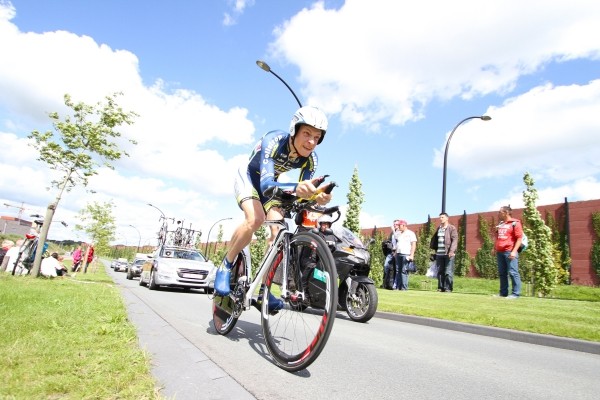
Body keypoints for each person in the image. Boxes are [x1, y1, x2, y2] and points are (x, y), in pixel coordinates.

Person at [214, 106, 332, 313]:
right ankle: (226, 264)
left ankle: (263, 289)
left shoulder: (311, 159)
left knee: (277, 231)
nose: (311, 141)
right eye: (306, 134)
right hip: (251, 178)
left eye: (317, 137)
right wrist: (297, 188)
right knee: (255, 219)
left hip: (274, 183)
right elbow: (267, 185)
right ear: (294, 130)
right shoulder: (274, 140)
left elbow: (302, 192)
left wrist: (317, 196)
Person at [495, 206, 523, 298]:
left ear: (506, 212)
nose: (498, 214)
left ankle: (515, 294)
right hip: (500, 252)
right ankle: (503, 293)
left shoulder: (515, 223)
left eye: (500, 212)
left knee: (513, 272)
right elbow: (498, 237)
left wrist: (514, 251)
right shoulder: (501, 224)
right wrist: (494, 248)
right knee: (502, 273)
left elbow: (519, 238)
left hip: (509, 251)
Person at [431, 212, 458, 292]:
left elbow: (455, 240)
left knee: (448, 271)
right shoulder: (439, 228)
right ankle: (441, 287)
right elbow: (435, 240)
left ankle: (448, 288)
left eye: (442, 217)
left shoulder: (451, 228)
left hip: (448, 253)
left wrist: (452, 251)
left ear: (447, 218)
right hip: (439, 253)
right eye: (440, 217)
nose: (440, 219)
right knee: (440, 271)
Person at [392, 220, 417, 290]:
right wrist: (396, 253)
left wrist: (412, 255)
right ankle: (398, 286)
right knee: (398, 271)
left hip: (406, 254)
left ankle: (404, 287)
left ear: (404, 225)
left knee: (404, 270)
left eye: (399, 225)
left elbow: (413, 244)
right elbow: (398, 244)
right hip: (398, 254)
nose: (398, 227)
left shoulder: (410, 233)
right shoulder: (399, 234)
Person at [381, 220, 398, 289]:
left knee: (395, 269)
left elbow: (398, 240)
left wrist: (394, 231)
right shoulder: (392, 233)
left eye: (396, 224)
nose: (395, 225)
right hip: (390, 252)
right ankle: (385, 283)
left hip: (397, 252)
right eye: (394, 224)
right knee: (386, 266)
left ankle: (394, 284)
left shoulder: (399, 232)